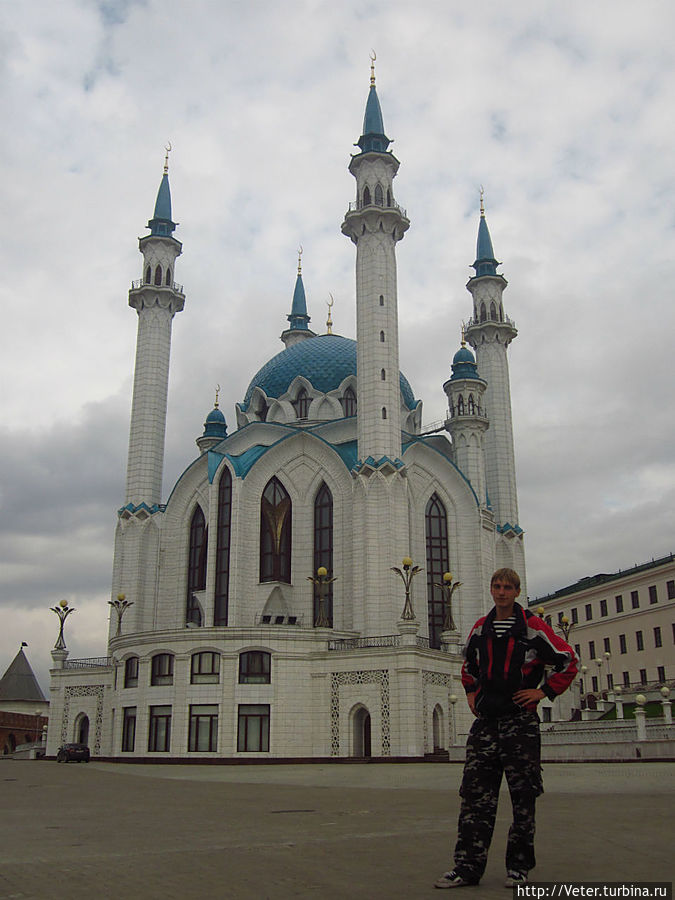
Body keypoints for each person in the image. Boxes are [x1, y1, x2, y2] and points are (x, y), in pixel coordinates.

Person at [434, 568, 577, 889]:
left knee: (523, 796)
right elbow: (469, 664)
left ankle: (518, 867)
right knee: (475, 797)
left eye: (507, 587)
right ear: (491, 589)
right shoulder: (481, 628)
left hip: (519, 724)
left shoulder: (531, 627)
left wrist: (544, 692)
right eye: (496, 586)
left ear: (516, 591)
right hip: (486, 725)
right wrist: (471, 692)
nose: (501, 592)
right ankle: (467, 866)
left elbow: (569, 660)